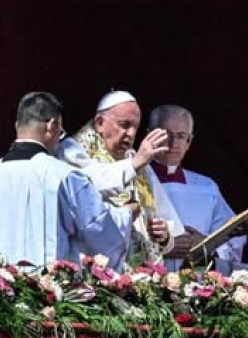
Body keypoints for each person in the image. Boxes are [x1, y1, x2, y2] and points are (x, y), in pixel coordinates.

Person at [0, 92, 166, 271]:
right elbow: (98, 227)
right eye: (60, 133)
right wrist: (126, 213)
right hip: (46, 297)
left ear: (18, 126)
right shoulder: (64, 177)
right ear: (51, 125)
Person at [56, 90, 182, 266]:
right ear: (100, 123)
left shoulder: (136, 159)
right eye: (124, 125)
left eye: (135, 127)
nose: (131, 134)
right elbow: (90, 185)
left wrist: (164, 235)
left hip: (138, 274)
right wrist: (135, 163)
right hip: (94, 270)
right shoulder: (73, 151)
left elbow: (167, 222)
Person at [146, 105, 244, 271]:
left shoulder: (206, 187)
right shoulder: (134, 180)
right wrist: (162, 247)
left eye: (180, 136)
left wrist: (205, 246)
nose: (173, 143)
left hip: (196, 286)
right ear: (150, 135)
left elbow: (233, 238)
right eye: (166, 134)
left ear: (189, 142)